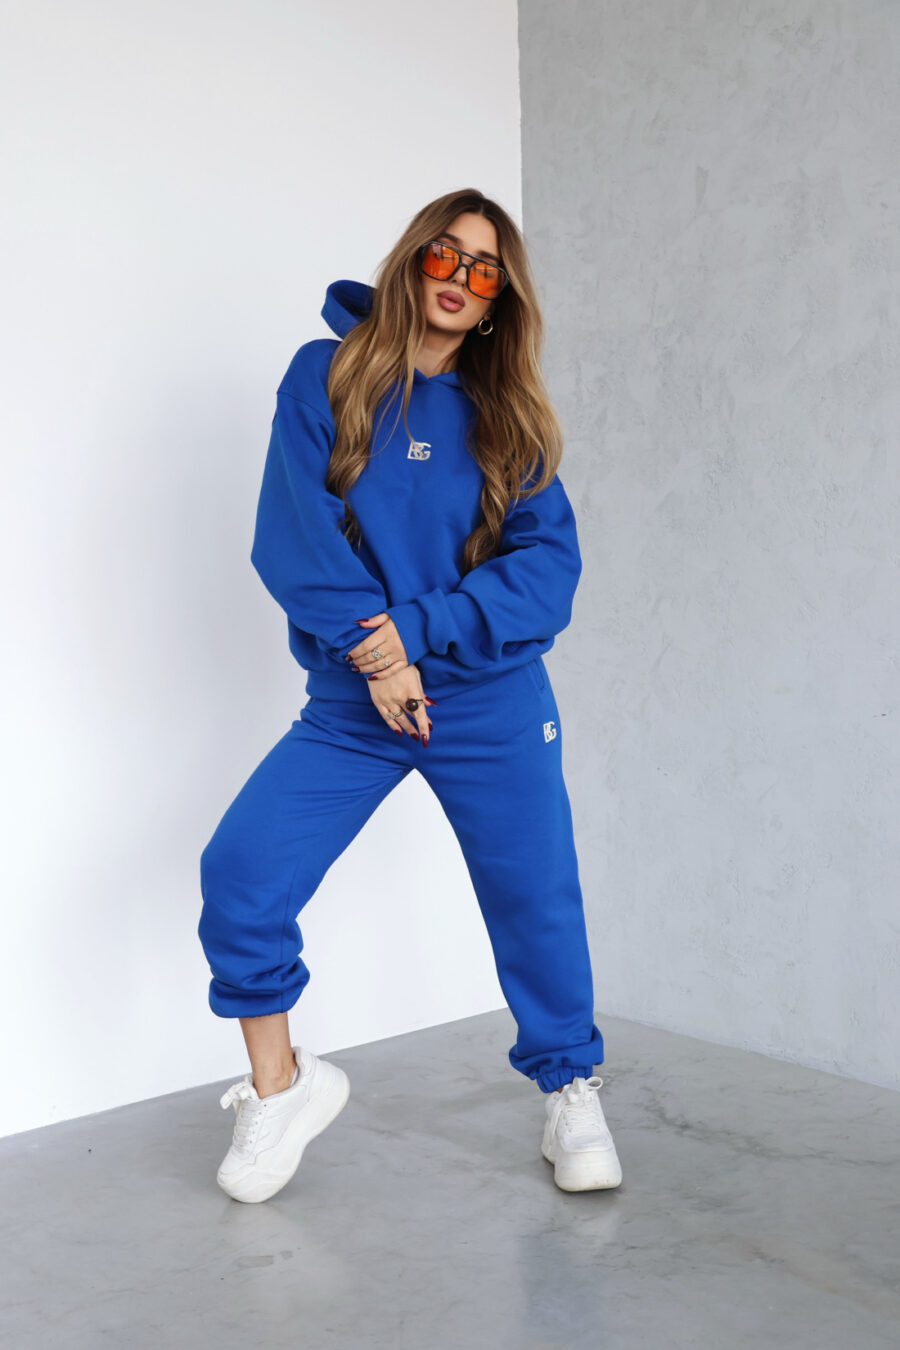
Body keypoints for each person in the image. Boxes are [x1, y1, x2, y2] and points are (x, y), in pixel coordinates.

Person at [198, 188, 623, 1202]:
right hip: (357, 703)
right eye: (446, 254)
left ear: (498, 301)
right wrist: (378, 659)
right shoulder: (327, 375)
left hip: (490, 699)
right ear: (412, 260)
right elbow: (292, 536)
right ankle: (280, 1088)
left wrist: (422, 633)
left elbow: (548, 573)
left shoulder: (508, 418)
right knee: (243, 871)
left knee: (535, 897)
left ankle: (569, 1086)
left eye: (486, 269)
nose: (461, 278)